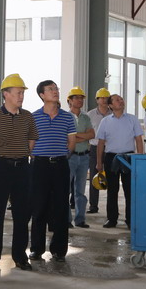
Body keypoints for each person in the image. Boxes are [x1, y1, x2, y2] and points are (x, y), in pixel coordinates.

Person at [0, 74, 38, 269]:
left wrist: (21, 154)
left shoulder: (28, 117)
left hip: (22, 167)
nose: (21, 96)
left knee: (22, 214)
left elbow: (32, 139)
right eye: (18, 93)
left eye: (22, 93)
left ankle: (20, 256)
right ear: (6, 94)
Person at [28, 81, 76, 265]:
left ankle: (59, 250)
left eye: (56, 88)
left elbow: (71, 143)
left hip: (60, 165)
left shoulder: (67, 117)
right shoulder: (34, 117)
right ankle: (36, 249)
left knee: (61, 207)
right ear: (42, 95)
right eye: (50, 89)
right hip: (39, 166)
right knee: (39, 207)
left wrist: (61, 155)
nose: (55, 91)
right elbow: (30, 145)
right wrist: (40, 157)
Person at [96, 94, 144, 229]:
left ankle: (130, 220)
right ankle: (111, 219)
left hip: (128, 157)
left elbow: (138, 139)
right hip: (111, 157)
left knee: (129, 190)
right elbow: (101, 143)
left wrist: (139, 158)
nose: (121, 101)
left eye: (121, 99)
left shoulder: (132, 119)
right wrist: (99, 162)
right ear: (110, 105)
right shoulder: (105, 121)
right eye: (117, 100)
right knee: (112, 190)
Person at [66, 87, 94, 229]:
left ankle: (80, 219)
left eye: (81, 98)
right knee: (66, 190)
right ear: (69, 101)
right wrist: (83, 136)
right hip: (69, 157)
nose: (80, 100)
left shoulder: (85, 117)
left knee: (80, 191)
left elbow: (92, 134)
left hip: (84, 157)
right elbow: (65, 138)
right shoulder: (65, 117)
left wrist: (75, 136)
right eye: (76, 97)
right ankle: (66, 220)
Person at [86, 88, 112, 214]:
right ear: (97, 100)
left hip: (110, 149)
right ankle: (93, 206)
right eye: (101, 98)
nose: (104, 100)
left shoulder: (114, 114)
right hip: (95, 148)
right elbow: (87, 131)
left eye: (106, 98)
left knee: (111, 178)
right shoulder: (90, 115)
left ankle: (111, 208)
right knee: (94, 177)